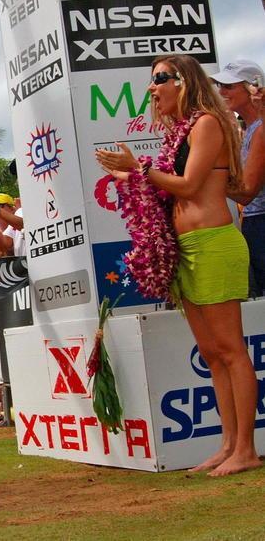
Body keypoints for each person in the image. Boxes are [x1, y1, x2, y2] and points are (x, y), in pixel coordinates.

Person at [97, 54, 260, 476]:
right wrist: (131, 178)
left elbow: (188, 185)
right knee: (210, 352)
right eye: (152, 81)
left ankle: (246, 448)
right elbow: (172, 190)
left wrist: (139, 168)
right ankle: (228, 444)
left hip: (213, 243)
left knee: (230, 349)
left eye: (160, 79)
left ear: (184, 82)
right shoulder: (180, 131)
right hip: (188, 246)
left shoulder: (206, 122)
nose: (153, 88)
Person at [212, 60, 265, 297]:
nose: (222, 92)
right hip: (252, 222)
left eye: (229, 86)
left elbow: (246, 190)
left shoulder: (262, 128)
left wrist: (203, 176)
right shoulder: (250, 128)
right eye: (220, 85)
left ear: (253, 87)